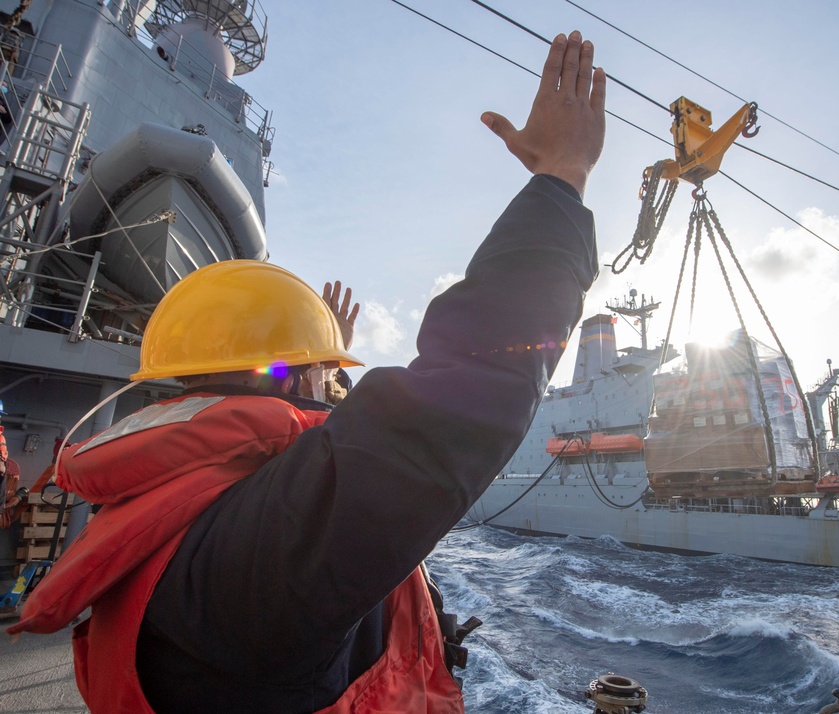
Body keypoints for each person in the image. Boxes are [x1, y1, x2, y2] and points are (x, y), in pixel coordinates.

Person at [9, 29, 606, 713]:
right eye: (322, 376)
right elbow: (459, 396)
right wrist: (562, 181)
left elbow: (311, 449)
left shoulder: (165, 504)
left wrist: (319, 358)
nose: (333, 391)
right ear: (290, 380)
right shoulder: (257, 553)